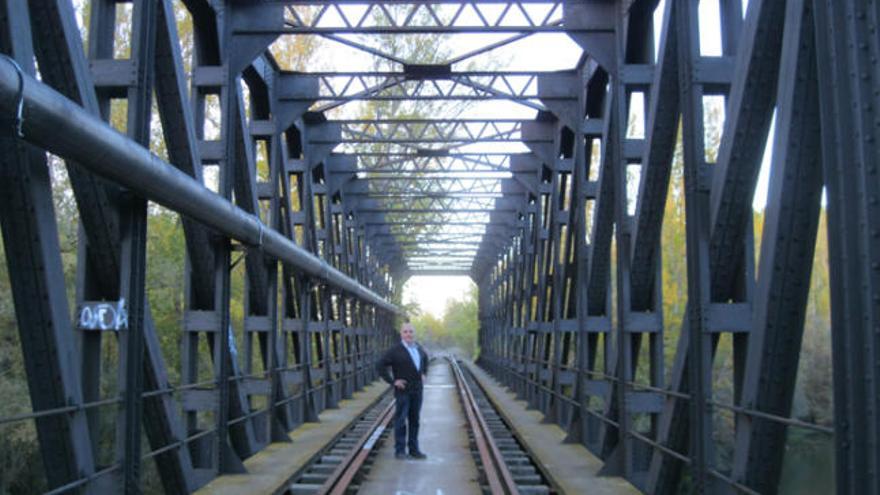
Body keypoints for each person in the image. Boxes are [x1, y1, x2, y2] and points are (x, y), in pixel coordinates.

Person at [376, 319, 429, 460]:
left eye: (411, 331)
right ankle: (400, 451)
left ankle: (414, 449)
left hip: (417, 390)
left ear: (414, 333)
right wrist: (393, 381)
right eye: (405, 332)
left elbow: (425, 359)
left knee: (415, 420)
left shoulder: (418, 348)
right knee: (401, 420)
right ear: (401, 334)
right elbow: (380, 365)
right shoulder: (395, 350)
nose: (408, 334)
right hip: (403, 390)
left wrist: (424, 373)